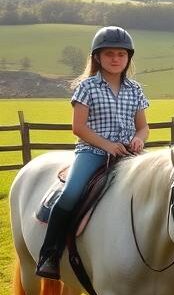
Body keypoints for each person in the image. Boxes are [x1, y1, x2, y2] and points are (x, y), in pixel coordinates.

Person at [35, 26, 149, 279]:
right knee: (70, 194)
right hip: (92, 151)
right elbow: (78, 127)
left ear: (128, 57)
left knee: (159, 189)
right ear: (97, 57)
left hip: (129, 154)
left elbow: (143, 127)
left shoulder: (135, 89)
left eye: (121, 54)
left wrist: (138, 140)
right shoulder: (87, 87)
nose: (116, 59)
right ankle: (50, 254)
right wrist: (106, 145)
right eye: (109, 54)